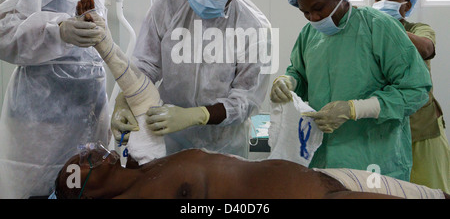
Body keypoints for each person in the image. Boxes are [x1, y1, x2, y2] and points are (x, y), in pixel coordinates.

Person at [270, 0, 432, 181]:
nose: (313, 18)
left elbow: (415, 89)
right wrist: (288, 81)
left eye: (318, 8)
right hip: (322, 158)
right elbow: (299, 71)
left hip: (374, 160)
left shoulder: (378, 26)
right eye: (305, 12)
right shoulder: (309, 33)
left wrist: (355, 109)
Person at [111, 0, 271, 158]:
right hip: (167, 140)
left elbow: (246, 100)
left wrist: (198, 115)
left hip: (223, 147)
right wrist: (124, 100)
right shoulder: (167, 7)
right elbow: (144, 68)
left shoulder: (253, 27)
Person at [0, 0, 112, 198]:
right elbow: (3, 30)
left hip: (88, 113)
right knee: (36, 190)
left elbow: (98, 51)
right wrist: (58, 31)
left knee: (83, 189)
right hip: (40, 119)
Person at [53, 143, 448, 199]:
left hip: (332, 177)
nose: (93, 151)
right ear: (86, 190)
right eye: (85, 160)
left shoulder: (145, 165)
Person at [373, 0, 450, 193]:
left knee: (431, 191)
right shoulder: (369, 34)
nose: (382, 3)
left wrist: (389, 26)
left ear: (405, 6)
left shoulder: (419, 29)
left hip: (422, 131)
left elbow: (426, 48)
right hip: (385, 133)